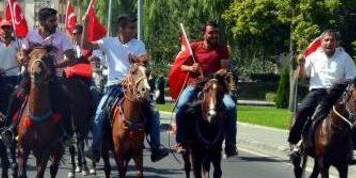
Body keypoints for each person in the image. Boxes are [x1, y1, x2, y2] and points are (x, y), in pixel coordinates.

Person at [82, 13, 170, 162]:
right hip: (114, 86)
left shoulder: (138, 44)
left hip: (134, 87)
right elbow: (85, 45)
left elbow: (144, 59)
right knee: (100, 114)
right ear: (120, 29)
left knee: (154, 113)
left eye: (134, 27)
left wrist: (140, 60)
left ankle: (156, 148)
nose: (134, 30)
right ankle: (96, 148)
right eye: (131, 27)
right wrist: (85, 25)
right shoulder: (108, 42)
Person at [1, 7, 77, 143]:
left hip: (53, 78)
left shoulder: (62, 37)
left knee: (64, 99)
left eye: (56, 20)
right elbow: (22, 54)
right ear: (42, 21)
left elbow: (71, 58)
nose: (55, 23)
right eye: (52, 21)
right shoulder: (30, 35)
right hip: (31, 77)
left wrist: (54, 66)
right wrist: (20, 58)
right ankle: (9, 128)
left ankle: (67, 133)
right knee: (15, 96)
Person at [288, 29, 356, 163]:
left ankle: (351, 151)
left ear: (336, 42)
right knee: (302, 110)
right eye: (326, 40)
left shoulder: (345, 57)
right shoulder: (314, 56)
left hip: (338, 94)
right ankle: (295, 145)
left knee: (354, 115)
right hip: (317, 92)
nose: (329, 43)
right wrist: (302, 64)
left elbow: (352, 78)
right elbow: (301, 77)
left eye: (332, 40)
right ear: (321, 42)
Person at [173, 21, 237, 157]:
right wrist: (191, 68)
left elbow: (224, 69)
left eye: (216, 32)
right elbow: (180, 66)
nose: (214, 35)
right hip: (195, 84)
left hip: (216, 86)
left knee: (231, 107)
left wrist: (215, 74)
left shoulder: (222, 49)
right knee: (182, 105)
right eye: (211, 32)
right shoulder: (193, 47)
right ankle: (180, 141)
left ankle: (231, 144)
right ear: (204, 34)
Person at [69, 24, 101, 108]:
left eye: (76, 34)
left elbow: (98, 65)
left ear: (82, 35)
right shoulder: (71, 49)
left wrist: (92, 59)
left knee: (94, 92)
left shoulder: (92, 47)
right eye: (73, 34)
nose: (74, 36)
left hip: (89, 79)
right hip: (73, 78)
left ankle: (97, 114)